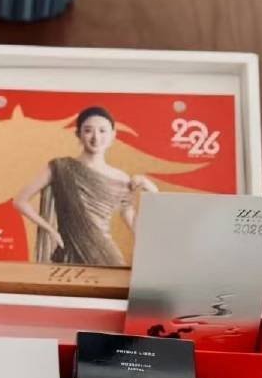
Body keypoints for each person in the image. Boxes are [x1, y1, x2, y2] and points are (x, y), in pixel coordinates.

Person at [13, 106, 158, 266]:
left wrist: (152, 190)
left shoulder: (122, 179)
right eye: (88, 130)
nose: (96, 137)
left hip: (106, 257)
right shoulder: (60, 168)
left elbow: (136, 228)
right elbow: (20, 201)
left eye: (102, 131)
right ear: (78, 134)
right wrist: (50, 230)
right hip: (68, 253)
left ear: (113, 135)